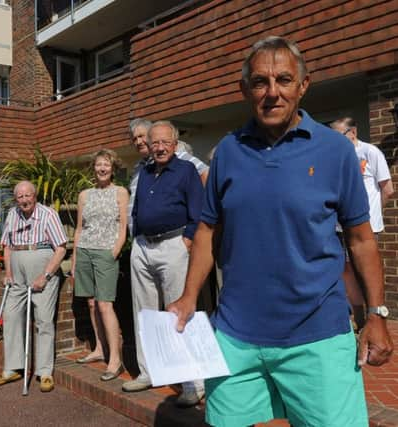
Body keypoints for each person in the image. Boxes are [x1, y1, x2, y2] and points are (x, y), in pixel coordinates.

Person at [168, 36, 393, 426]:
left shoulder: (334, 151)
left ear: (303, 86)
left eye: (284, 80)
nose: (272, 93)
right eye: (260, 82)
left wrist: (376, 314)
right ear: (244, 89)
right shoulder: (228, 152)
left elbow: (361, 240)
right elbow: (206, 230)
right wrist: (189, 297)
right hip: (236, 335)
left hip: (318, 334)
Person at [123, 120, 206, 407]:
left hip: (173, 246)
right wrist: (136, 240)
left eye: (164, 143)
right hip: (143, 247)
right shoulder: (144, 171)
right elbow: (136, 209)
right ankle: (148, 371)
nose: (158, 147)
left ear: (174, 144)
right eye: (154, 142)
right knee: (143, 314)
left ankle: (192, 383)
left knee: (178, 314)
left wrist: (186, 242)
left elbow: (198, 213)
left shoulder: (186, 171)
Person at [0, 180, 67, 392]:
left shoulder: (48, 214)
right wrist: (8, 272)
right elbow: (7, 246)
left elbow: (60, 248)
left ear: (35, 195)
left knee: (43, 319)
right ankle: (13, 368)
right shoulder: (13, 214)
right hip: (18, 268)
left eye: (27, 195)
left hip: (42, 265)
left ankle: (44, 371)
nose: (23, 200)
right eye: (20, 197)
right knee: (11, 315)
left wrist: (46, 275)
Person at [330, 117, 395, 331]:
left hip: (365, 227)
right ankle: (358, 318)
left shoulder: (370, 152)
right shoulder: (336, 158)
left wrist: (373, 216)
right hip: (340, 227)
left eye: (337, 135)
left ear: (352, 132)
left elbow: (387, 189)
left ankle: (374, 317)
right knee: (347, 270)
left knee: (366, 270)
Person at [71, 149, 129, 381]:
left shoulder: (120, 192)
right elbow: (79, 228)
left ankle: (115, 359)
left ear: (113, 168)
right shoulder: (85, 195)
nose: (102, 168)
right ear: (93, 168)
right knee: (92, 304)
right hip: (84, 250)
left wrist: (114, 250)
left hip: (106, 252)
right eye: (98, 165)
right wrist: (75, 258)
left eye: (106, 164)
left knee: (105, 304)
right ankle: (98, 348)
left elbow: (124, 226)